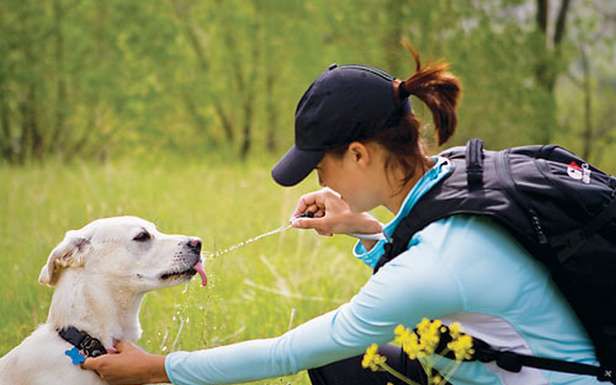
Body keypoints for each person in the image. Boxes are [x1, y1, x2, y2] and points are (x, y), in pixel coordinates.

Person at [82, 49, 600, 385]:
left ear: (358, 154)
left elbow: (285, 352)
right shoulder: (453, 169)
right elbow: (460, 262)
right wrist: (363, 227)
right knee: (348, 367)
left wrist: (155, 368)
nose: (316, 181)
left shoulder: (432, 267)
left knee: (335, 357)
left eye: (319, 165)